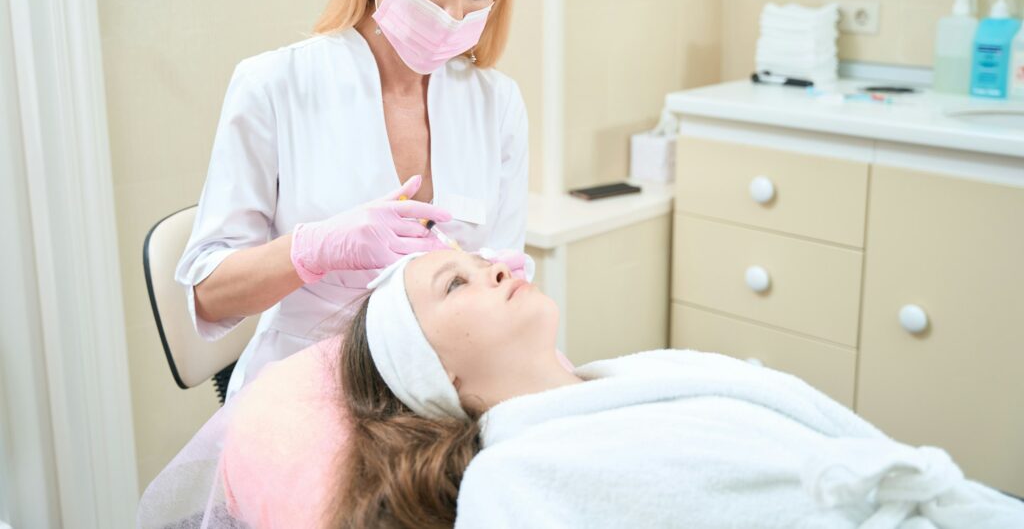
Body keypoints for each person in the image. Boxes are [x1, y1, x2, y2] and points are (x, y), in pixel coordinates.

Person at [138, 251, 1024, 528]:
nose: (495, 266)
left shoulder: (643, 374)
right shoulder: (515, 485)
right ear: (436, 376)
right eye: (455, 284)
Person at [174, 0, 529, 399]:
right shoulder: (274, 85)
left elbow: (504, 274)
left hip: (444, 388)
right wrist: (314, 249)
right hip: (308, 387)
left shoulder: (497, 104)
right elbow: (208, 295)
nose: (453, 14)